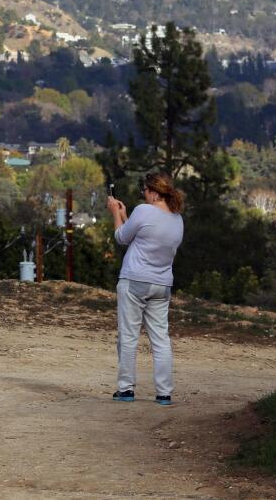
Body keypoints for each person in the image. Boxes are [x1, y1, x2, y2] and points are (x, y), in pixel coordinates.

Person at [105, 172, 184, 406]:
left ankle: (126, 389)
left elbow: (122, 237)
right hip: (162, 284)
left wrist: (114, 215)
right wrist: (124, 214)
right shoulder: (177, 219)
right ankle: (164, 393)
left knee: (128, 337)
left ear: (152, 191)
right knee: (161, 339)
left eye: (144, 190)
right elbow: (141, 235)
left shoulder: (144, 210)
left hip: (135, 280)